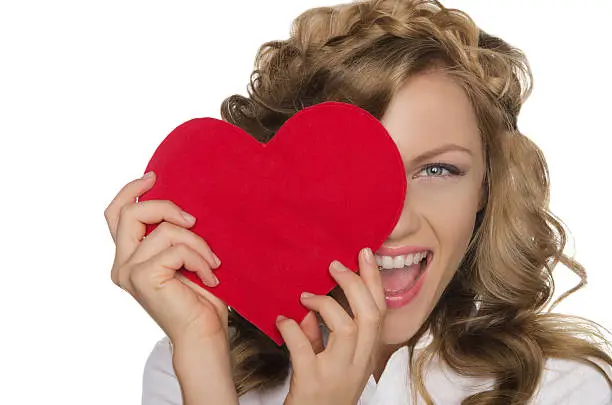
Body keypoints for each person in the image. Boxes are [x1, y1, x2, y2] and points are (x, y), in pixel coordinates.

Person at [104, 0, 612, 403]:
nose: (394, 224)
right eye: (346, 178)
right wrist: (201, 354)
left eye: (437, 170)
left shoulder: (561, 389)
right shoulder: (191, 365)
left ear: (486, 188)